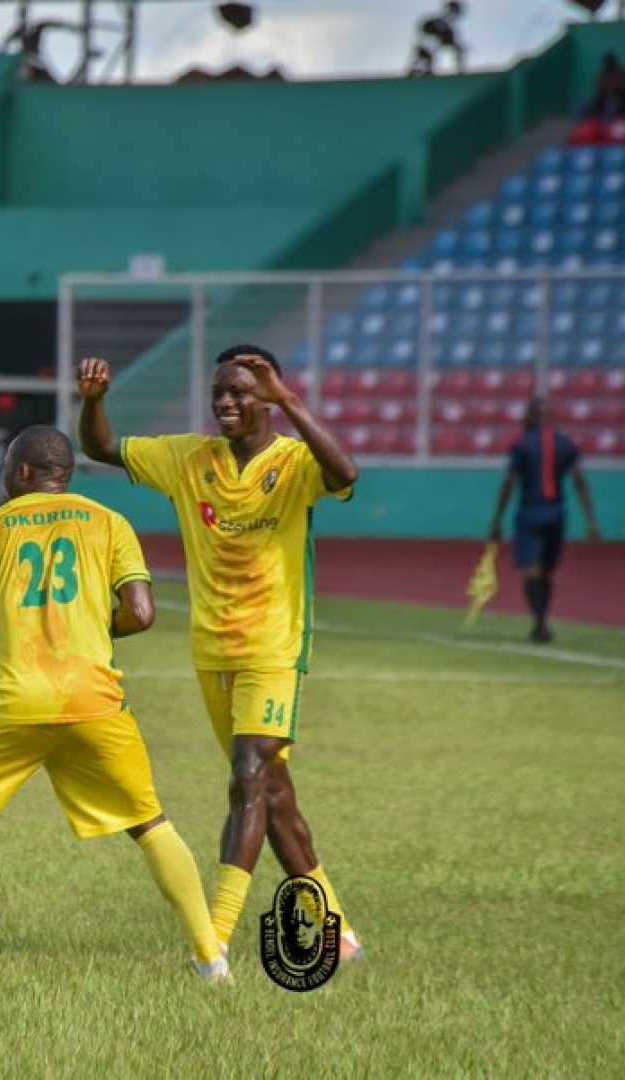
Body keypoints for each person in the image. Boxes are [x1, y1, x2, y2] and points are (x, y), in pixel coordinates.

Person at [0, 426, 228, 981]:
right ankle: (211, 959)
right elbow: (141, 614)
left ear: (22, 472)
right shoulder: (109, 522)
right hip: (95, 701)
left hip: (14, 702)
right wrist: (88, 623)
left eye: (5, 465)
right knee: (149, 822)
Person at [77, 347, 366, 968]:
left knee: (248, 776)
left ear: (269, 398)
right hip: (212, 650)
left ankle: (215, 940)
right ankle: (337, 931)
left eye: (240, 391)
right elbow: (102, 447)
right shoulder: (188, 458)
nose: (226, 402)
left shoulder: (295, 462)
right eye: (219, 393)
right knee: (273, 794)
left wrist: (291, 401)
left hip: (274, 647)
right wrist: (94, 402)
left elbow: (345, 473)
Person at [487, 398, 601, 644]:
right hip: (556, 513)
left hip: (530, 512)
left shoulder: (521, 444)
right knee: (546, 571)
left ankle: (539, 621)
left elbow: (509, 482)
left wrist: (497, 519)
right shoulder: (565, 443)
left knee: (533, 570)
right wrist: (591, 520)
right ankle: (541, 619)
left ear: (531, 417)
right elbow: (579, 481)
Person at [417, 1, 465, 75]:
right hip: (427, 50)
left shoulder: (447, 25)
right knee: (426, 57)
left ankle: (460, 71)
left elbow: (449, 41)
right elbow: (427, 39)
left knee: (458, 50)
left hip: (434, 48)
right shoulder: (438, 22)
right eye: (454, 11)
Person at [587, 53, 625, 121]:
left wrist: (613, 88)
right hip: (605, 101)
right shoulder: (603, 75)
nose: (607, 65)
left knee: (614, 103)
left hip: (622, 101)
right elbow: (599, 91)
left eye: (609, 63)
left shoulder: (622, 73)